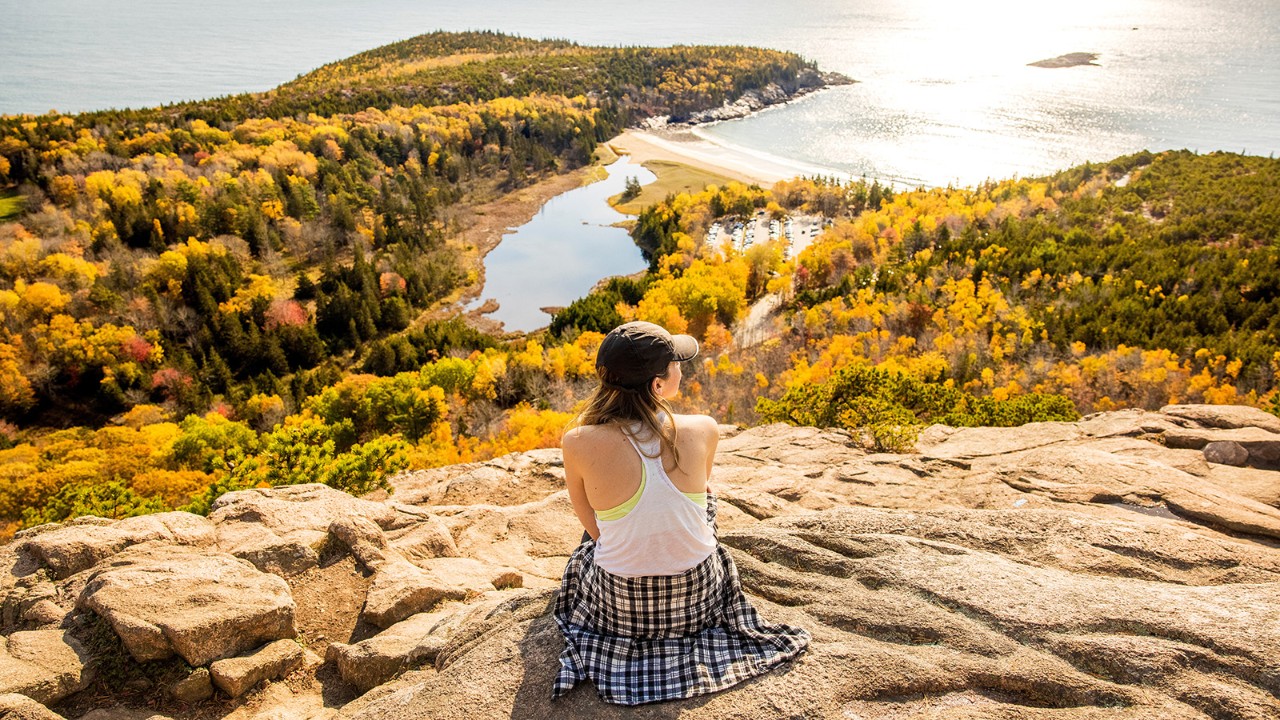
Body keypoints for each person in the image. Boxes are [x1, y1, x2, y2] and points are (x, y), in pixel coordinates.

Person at [552, 321, 810, 706]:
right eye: (674, 363)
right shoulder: (703, 429)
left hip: (621, 609)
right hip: (698, 599)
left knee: (595, 538)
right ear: (658, 385)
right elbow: (701, 497)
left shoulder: (577, 442)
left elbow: (594, 530)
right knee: (705, 502)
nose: (681, 369)